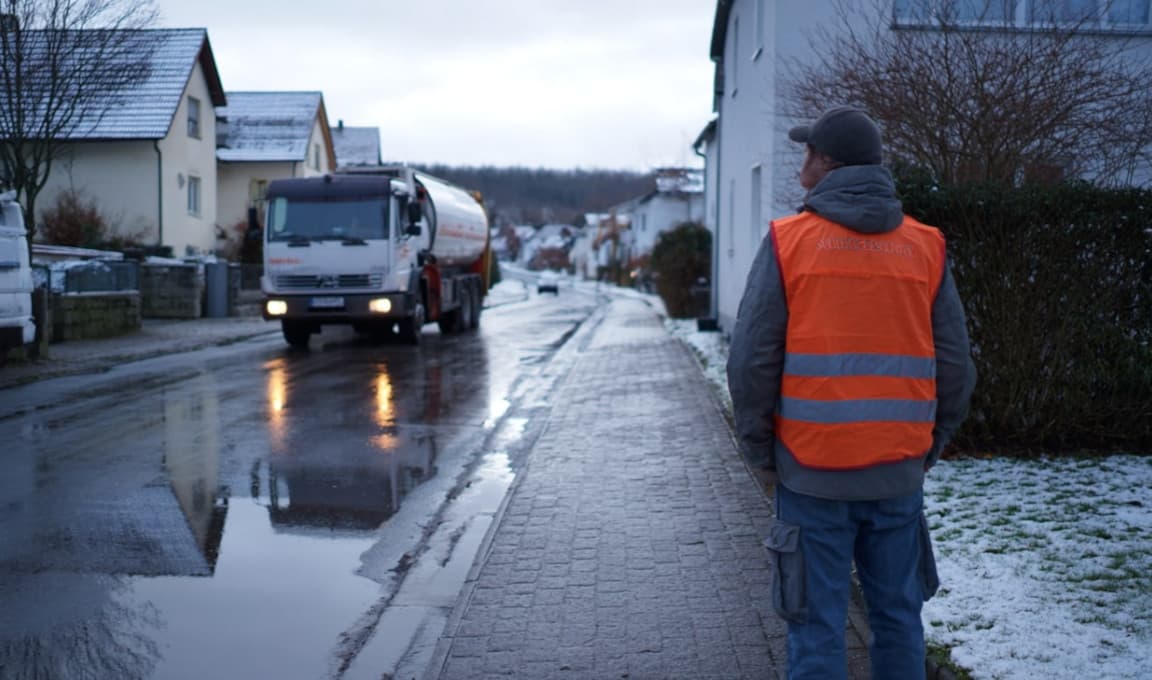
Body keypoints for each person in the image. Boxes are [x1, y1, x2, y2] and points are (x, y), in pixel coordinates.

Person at [726, 106, 976, 680]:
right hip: (897, 474)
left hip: (812, 474)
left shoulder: (790, 242)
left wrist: (760, 450)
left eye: (806, 152)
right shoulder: (925, 246)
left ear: (826, 161)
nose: (800, 165)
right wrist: (931, 443)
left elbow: (752, 360)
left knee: (816, 626)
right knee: (897, 618)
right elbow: (957, 363)